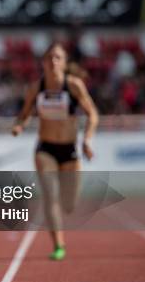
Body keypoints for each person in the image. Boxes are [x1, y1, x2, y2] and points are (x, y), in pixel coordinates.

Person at [12, 42, 98, 261]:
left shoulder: (74, 85)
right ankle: (58, 245)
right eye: (49, 57)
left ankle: (63, 222)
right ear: (43, 62)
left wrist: (87, 140)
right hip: (45, 149)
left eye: (58, 57)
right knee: (50, 197)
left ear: (65, 62)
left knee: (68, 205)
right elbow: (24, 113)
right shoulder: (36, 87)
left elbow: (93, 115)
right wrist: (20, 125)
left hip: (70, 150)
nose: (53, 62)